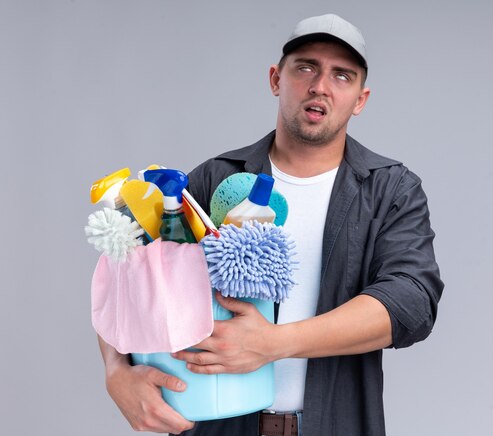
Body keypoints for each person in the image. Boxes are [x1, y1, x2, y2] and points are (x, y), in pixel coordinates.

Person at [98, 13, 444, 436]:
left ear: (360, 99)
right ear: (276, 79)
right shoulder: (214, 179)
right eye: (305, 68)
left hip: (335, 426)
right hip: (216, 426)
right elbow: (127, 274)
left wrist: (273, 343)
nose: (320, 85)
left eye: (342, 75)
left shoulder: (391, 189)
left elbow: (411, 302)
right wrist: (117, 374)